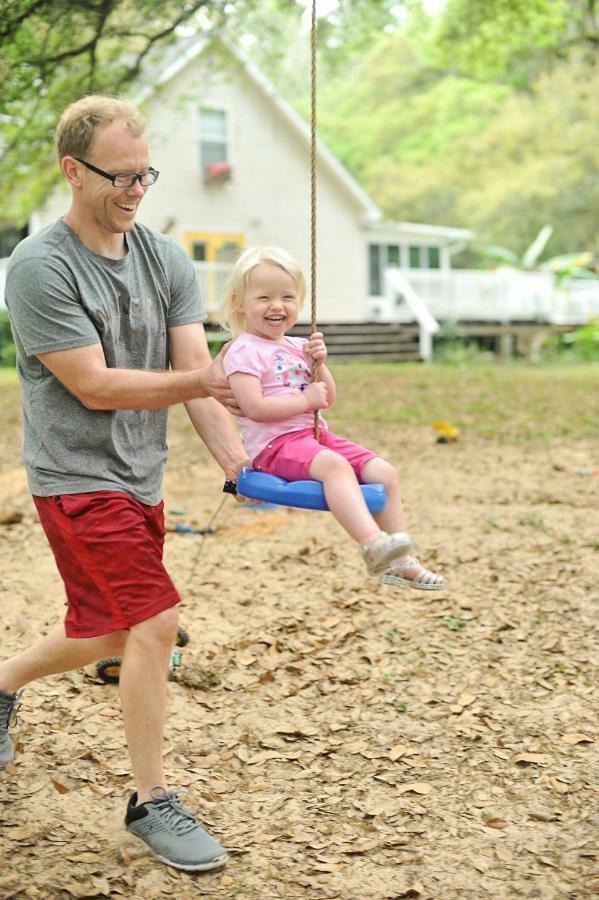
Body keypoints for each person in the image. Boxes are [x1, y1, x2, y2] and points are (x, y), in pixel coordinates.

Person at [0, 95, 251, 872]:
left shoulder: (164, 258)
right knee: (157, 621)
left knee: (115, 629)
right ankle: (151, 800)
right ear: (73, 170)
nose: (136, 191)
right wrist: (204, 383)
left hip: (138, 476)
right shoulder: (38, 268)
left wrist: (242, 465)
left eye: (146, 175)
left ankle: (2, 682)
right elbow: (96, 387)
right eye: (120, 176)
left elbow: (192, 375)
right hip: (75, 477)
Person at [220, 246, 447, 590]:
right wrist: (304, 399)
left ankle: (401, 558)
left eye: (287, 296)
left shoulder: (299, 345)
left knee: (384, 473)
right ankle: (372, 544)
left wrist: (320, 366)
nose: (277, 305)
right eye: (264, 297)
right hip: (274, 447)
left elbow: (327, 398)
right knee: (335, 467)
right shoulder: (243, 350)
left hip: (312, 437)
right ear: (239, 301)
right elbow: (254, 408)